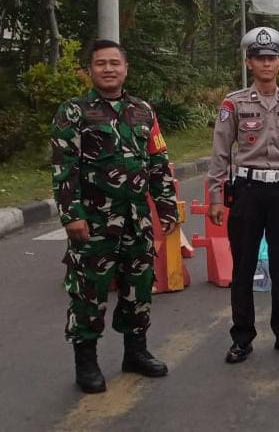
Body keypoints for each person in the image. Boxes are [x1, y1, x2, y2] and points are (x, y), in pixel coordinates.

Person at [51, 39, 179, 393]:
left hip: (136, 220)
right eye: (101, 64)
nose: (108, 69)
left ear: (126, 68)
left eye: (114, 63)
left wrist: (166, 205)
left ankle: (135, 352)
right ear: (90, 70)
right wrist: (71, 215)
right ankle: (86, 362)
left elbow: (157, 162)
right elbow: (65, 169)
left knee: (138, 289)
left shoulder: (143, 111)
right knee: (88, 293)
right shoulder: (73, 112)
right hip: (93, 221)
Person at [208, 27, 279, 364]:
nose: (266, 64)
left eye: (272, 58)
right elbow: (221, 151)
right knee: (243, 266)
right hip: (248, 192)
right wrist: (215, 195)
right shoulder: (234, 103)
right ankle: (242, 337)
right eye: (260, 58)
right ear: (249, 62)